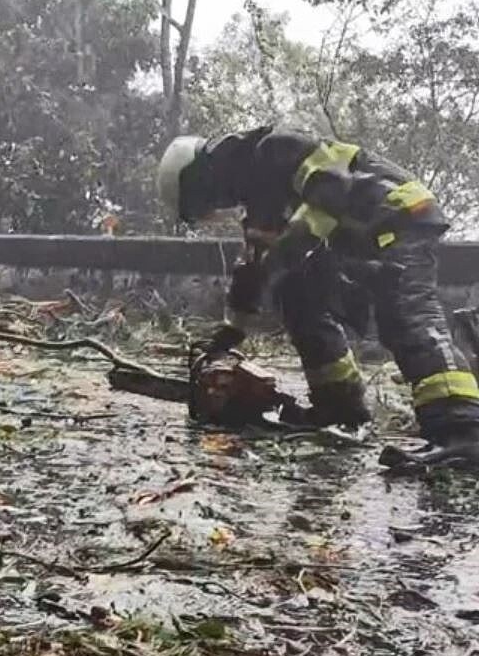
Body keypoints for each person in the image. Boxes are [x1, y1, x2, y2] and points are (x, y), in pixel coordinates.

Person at [156, 125, 479, 466]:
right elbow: (255, 264)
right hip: (358, 236)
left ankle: (461, 429)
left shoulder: (275, 147)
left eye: (204, 202)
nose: (216, 207)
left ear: (204, 177)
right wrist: (232, 329)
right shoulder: (260, 195)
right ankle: (340, 407)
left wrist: (284, 251)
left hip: (397, 213)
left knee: (405, 312)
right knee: (296, 295)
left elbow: (331, 188)